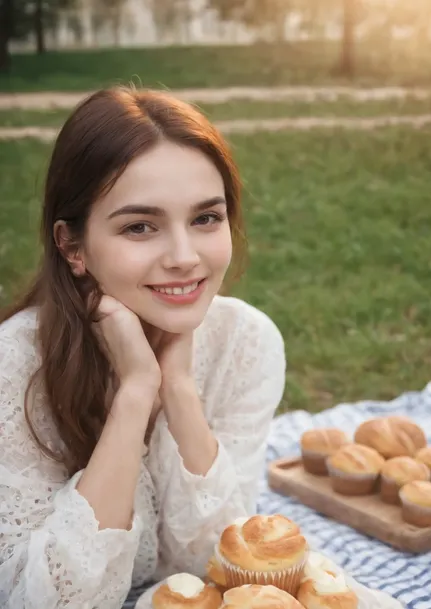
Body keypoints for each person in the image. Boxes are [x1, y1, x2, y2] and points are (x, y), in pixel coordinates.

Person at [0, 87, 285, 609]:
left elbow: (225, 570)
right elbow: (41, 602)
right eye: (140, 226)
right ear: (72, 246)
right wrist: (136, 394)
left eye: (205, 218)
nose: (184, 257)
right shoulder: (14, 366)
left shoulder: (246, 342)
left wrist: (179, 390)